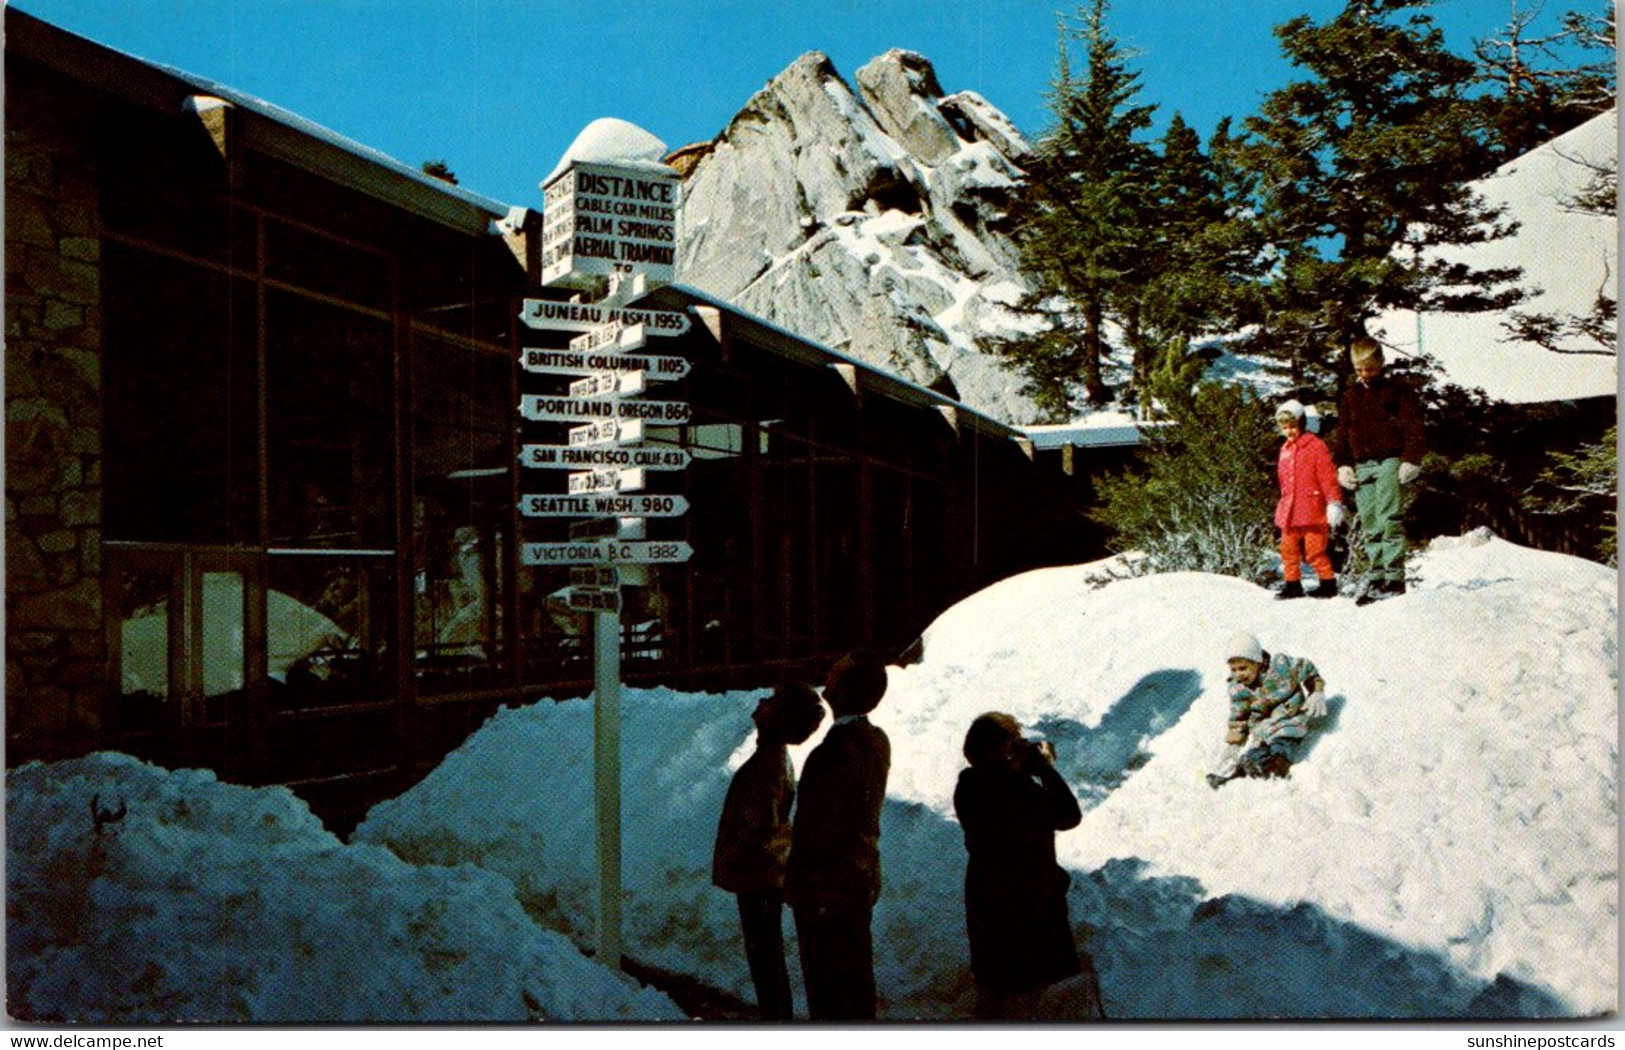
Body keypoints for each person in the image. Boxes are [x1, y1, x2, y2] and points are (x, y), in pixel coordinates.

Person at [954, 713, 1104, 1021]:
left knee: (994, 988)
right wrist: (1043, 770)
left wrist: (1016, 766)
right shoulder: (1020, 791)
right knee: (1032, 995)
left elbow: (993, 787)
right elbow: (1069, 815)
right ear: (1004, 749)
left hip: (986, 898)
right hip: (1029, 903)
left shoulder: (967, 785)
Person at [785, 650, 892, 1021]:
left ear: (844, 688)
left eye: (837, 672)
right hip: (856, 880)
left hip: (826, 887)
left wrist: (796, 880)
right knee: (854, 983)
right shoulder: (875, 741)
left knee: (829, 990)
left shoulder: (833, 752)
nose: (828, 672)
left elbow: (815, 828)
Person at [711, 681, 826, 1021]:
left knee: (765, 959)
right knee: (765, 956)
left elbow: (759, 825)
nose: (761, 700)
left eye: (772, 700)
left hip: (757, 877)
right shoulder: (772, 759)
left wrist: (737, 854)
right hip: (761, 875)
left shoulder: (768, 763)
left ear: (778, 716)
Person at [1329, 335, 1427, 605]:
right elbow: (1343, 433)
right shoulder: (1350, 396)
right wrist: (1343, 465)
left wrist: (1411, 458)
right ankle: (1376, 575)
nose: (1365, 374)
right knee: (1370, 522)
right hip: (1363, 464)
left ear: (1381, 363)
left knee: (1388, 517)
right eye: (1359, 369)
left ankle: (1393, 579)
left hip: (1390, 460)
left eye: (1370, 368)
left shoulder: (1397, 391)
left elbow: (1413, 425)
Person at [1207, 632, 1328, 790]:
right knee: (1252, 754)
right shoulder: (1238, 688)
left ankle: (1276, 769)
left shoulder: (1281, 667)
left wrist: (1316, 691)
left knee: (1281, 746)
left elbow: (1308, 670)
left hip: (1289, 720)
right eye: (1233, 669)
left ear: (1257, 662)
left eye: (1243, 668)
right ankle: (1233, 778)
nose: (1238, 674)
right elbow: (1239, 716)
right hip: (1263, 728)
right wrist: (1234, 744)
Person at [1273, 399, 1345, 600]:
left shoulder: (1315, 446)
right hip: (1289, 510)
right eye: (1285, 428)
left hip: (1312, 509)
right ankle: (1293, 584)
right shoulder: (1285, 449)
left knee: (1315, 551)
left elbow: (1327, 476)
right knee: (1288, 550)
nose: (1289, 432)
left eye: (1293, 426)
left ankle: (1328, 583)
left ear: (1302, 424)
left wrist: (1333, 502)